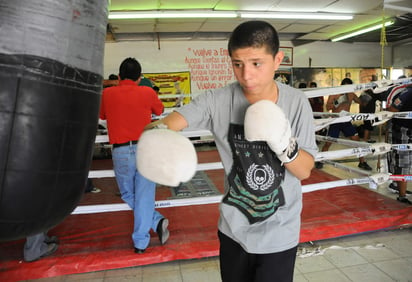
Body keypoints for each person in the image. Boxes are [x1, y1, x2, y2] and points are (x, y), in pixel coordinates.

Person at [141, 21, 317, 282]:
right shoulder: (216, 100)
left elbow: (304, 170)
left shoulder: (296, 102)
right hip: (234, 230)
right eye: (238, 64)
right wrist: (157, 140)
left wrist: (283, 143)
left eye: (257, 63)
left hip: (280, 234)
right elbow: (162, 124)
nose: (246, 75)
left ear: (277, 60)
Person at [99, 57, 169, 253]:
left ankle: (155, 224)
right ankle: (144, 237)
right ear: (139, 78)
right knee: (144, 196)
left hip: (121, 151)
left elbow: (102, 115)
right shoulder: (146, 92)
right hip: (146, 148)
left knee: (128, 194)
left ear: (119, 76)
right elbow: (160, 109)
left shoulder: (108, 93)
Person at [319, 78, 372, 171]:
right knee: (328, 143)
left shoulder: (351, 94)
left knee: (357, 142)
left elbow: (361, 102)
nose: (347, 89)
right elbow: (327, 107)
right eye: (345, 87)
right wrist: (337, 102)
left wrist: (367, 95)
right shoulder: (334, 94)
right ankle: (320, 160)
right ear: (341, 85)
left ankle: (362, 162)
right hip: (335, 121)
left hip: (346, 121)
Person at [383, 82, 412, 204]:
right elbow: (392, 109)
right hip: (402, 130)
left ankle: (397, 184)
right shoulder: (407, 93)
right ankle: (402, 195)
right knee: (403, 162)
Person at [359, 74, 378, 143]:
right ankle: (365, 140)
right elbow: (362, 102)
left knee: (369, 125)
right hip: (367, 112)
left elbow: (360, 102)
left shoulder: (366, 92)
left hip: (367, 111)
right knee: (368, 126)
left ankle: (368, 138)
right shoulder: (371, 93)